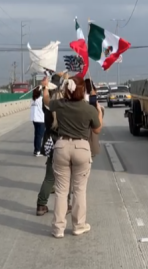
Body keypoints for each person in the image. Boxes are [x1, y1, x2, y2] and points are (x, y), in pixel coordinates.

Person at [41, 75, 103, 238]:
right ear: (82, 91)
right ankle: (78, 225)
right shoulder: (88, 109)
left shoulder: (60, 104)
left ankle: (58, 229)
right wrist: (99, 113)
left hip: (62, 146)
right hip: (81, 148)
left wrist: (45, 86)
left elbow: (47, 101)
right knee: (79, 190)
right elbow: (97, 130)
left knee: (61, 191)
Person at [36, 78, 72, 216]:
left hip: (52, 143)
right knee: (66, 178)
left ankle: (41, 205)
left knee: (49, 178)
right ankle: (66, 205)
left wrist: (44, 87)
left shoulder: (48, 107)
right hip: (65, 144)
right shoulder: (68, 106)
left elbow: (45, 98)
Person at [30, 87, 45, 156]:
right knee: (39, 136)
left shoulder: (32, 100)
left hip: (34, 119)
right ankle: (38, 150)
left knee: (36, 135)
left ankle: (36, 150)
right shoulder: (41, 99)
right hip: (40, 120)